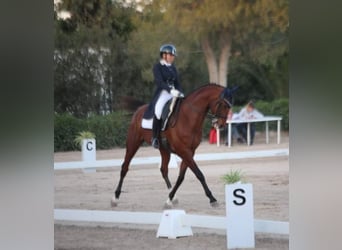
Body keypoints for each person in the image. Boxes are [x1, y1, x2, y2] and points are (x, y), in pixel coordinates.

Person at [144, 44, 184, 149]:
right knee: (158, 110)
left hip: (174, 93)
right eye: (171, 55)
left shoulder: (173, 68)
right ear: (164, 55)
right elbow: (159, 82)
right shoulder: (158, 67)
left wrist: (180, 92)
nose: (173, 57)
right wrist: (170, 90)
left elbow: (177, 82)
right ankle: (155, 137)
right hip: (163, 93)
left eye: (173, 55)